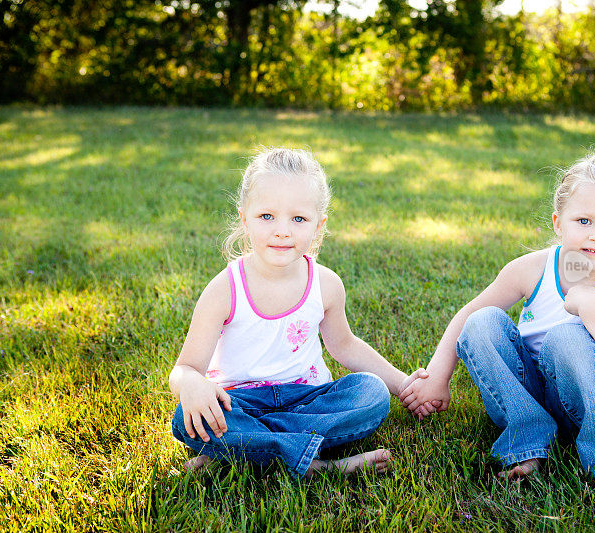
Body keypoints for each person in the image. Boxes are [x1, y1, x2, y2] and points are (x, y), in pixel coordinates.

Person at [399, 149, 595, 500]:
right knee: (482, 321)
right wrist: (437, 376)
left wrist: (594, 311)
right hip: (527, 397)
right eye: (584, 221)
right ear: (557, 222)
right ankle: (530, 440)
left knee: (568, 336)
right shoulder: (531, 268)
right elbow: (465, 318)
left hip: (593, 404)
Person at [169, 147, 428, 477]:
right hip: (241, 404)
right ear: (243, 218)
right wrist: (191, 385)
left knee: (371, 394)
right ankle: (320, 466)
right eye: (267, 216)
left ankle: (245, 450)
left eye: (298, 219)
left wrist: (403, 385)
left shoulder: (326, 283)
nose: (282, 230)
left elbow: (345, 346)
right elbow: (185, 369)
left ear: (318, 225)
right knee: (186, 418)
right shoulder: (225, 289)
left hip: (309, 400)